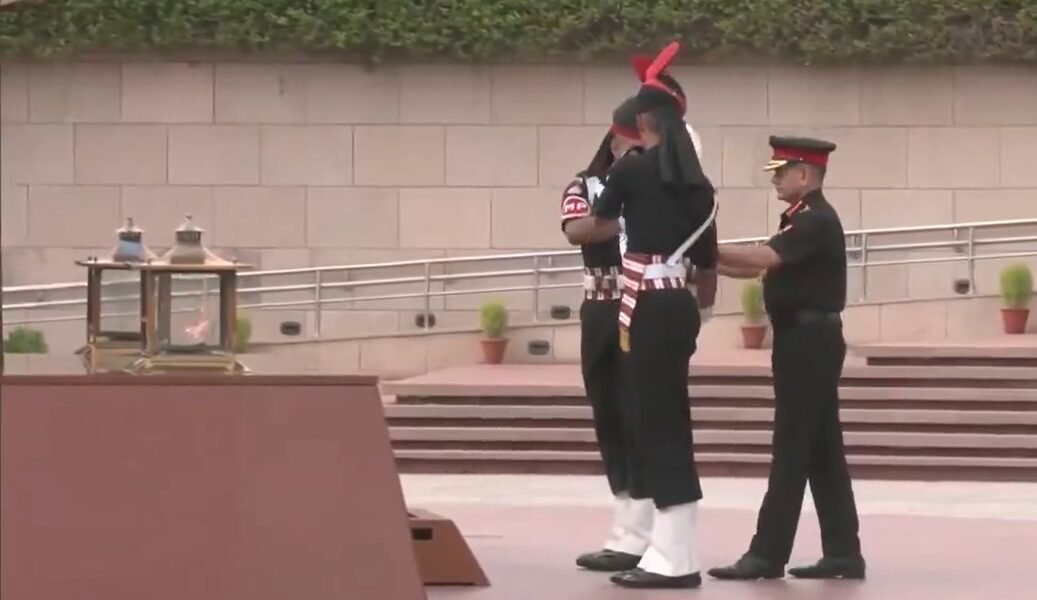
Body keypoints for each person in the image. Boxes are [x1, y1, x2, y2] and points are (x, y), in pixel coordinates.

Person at [578, 41, 719, 589]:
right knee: (668, 421)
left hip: (641, 302)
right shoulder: (700, 186)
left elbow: (594, 225)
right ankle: (670, 544)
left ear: (641, 121)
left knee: (651, 424)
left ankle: (674, 555)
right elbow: (705, 265)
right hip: (677, 304)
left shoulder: (633, 171)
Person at [707, 136, 866, 581]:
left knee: (792, 446)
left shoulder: (814, 220)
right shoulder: (800, 218)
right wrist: (709, 262)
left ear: (804, 175)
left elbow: (765, 256)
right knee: (822, 451)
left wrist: (705, 250)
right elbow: (756, 267)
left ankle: (767, 553)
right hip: (805, 339)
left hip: (808, 342)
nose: (775, 179)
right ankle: (843, 552)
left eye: (781, 172)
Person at [561, 95, 651, 573]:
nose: (636, 153)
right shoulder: (587, 184)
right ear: (615, 141)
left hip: (646, 307)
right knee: (608, 412)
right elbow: (577, 230)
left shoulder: (662, 187)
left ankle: (642, 532)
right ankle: (625, 525)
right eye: (630, 144)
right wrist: (625, 211)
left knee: (640, 412)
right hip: (601, 306)